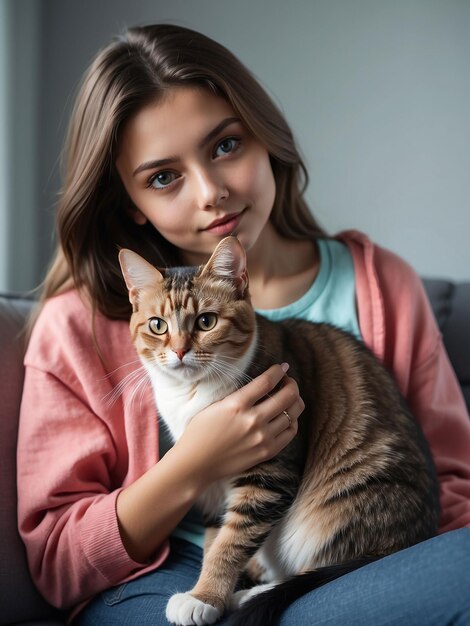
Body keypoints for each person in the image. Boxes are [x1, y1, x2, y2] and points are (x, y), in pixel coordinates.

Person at [17, 24, 470, 626]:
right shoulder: (77, 323)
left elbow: (450, 498)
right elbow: (56, 560)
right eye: (162, 177)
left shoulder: (383, 283)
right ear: (130, 202)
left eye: (226, 145)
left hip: (337, 565)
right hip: (161, 576)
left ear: (264, 132)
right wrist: (193, 463)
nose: (212, 192)